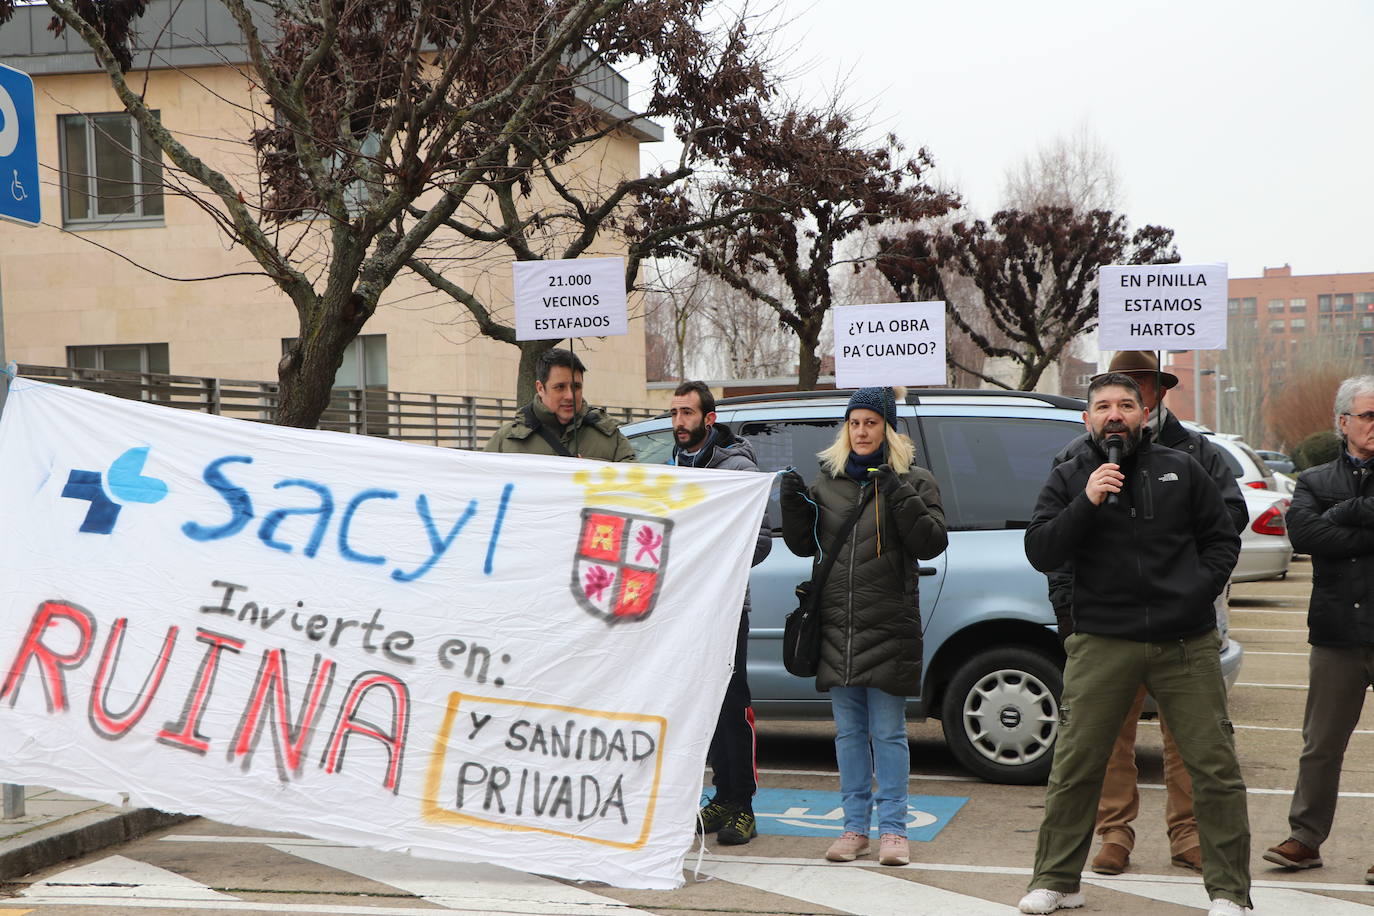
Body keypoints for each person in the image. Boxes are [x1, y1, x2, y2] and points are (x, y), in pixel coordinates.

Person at [1018, 373, 1250, 916]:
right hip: (1103, 640)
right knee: (1076, 764)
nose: (1115, 415)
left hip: (1184, 640)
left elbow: (1221, 538)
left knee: (1213, 765)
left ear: (1144, 414)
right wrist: (1088, 500)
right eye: (1103, 407)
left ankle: (1229, 893)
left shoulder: (1181, 468)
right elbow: (1042, 550)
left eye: (1126, 405)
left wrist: (1194, 594)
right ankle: (1058, 880)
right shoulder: (1071, 474)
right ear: (1087, 419)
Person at [779, 386, 947, 867]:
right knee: (849, 734)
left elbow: (931, 541)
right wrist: (793, 504)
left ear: (888, 429)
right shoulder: (828, 481)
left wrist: (896, 490)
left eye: (871, 422)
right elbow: (801, 544)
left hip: (889, 624)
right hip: (837, 626)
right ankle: (854, 828)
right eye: (854, 423)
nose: (861, 431)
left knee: (889, 733)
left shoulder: (917, 480)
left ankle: (894, 831)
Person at [1263, 375, 1374, 881]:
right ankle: (1305, 839)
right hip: (1337, 631)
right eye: (1369, 416)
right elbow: (1306, 534)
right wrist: (1358, 519)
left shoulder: (1325, 492)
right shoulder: (1314, 480)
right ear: (1343, 422)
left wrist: (1343, 518)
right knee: (1321, 743)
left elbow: (1328, 531)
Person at [668, 381, 772, 846]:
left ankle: (743, 805)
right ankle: (721, 797)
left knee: (733, 705)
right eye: (674, 414)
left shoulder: (736, 466)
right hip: (689, 607)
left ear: (709, 419)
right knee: (704, 705)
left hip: (728, 608)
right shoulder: (673, 465)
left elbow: (762, 540)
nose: (678, 423)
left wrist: (715, 554)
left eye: (687, 414)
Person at [484, 348, 635, 461]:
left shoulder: (610, 438)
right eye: (560, 387)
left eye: (576, 387)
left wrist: (594, 478)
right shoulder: (506, 441)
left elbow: (634, 490)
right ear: (540, 388)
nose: (569, 396)